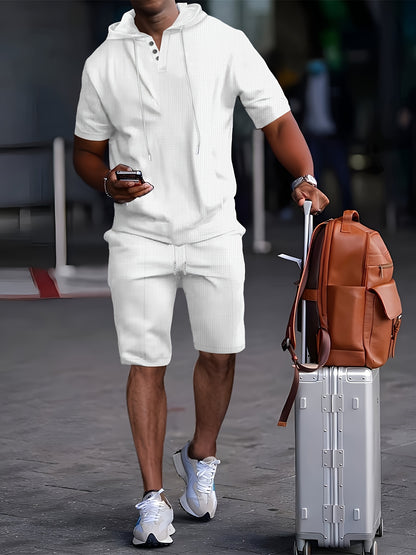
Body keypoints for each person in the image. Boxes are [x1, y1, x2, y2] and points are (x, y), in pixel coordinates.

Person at [73, 0, 329, 548]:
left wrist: (303, 176)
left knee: (219, 353)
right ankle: (151, 499)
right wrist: (105, 181)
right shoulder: (103, 61)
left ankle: (200, 455)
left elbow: (276, 117)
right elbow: (86, 151)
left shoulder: (225, 41)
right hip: (138, 236)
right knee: (147, 363)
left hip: (214, 230)